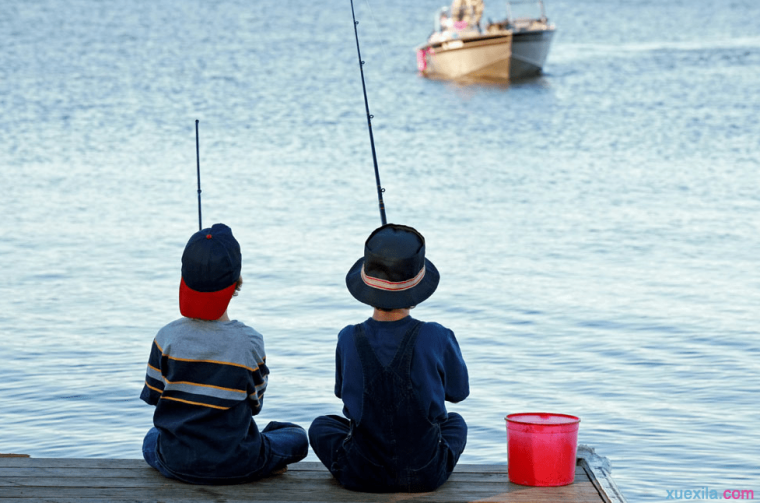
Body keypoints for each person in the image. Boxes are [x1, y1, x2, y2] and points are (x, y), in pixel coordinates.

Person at [140, 223, 308, 485]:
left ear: (184, 280)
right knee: (297, 436)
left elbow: (154, 396)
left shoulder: (166, 337)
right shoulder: (249, 341)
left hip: (175, 461)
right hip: (237, 462)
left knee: (151, 437)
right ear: (237, 282)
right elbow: (255, 404)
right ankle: (264, 461)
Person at [309, 224, 469, 492]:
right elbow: (458, 393)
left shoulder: (348, 337)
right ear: (417, 289)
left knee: (321, 426)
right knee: (455, 422)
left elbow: (343, 394)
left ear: (367, 287)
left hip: (361, 473)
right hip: (425, 473)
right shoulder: (437, 335)